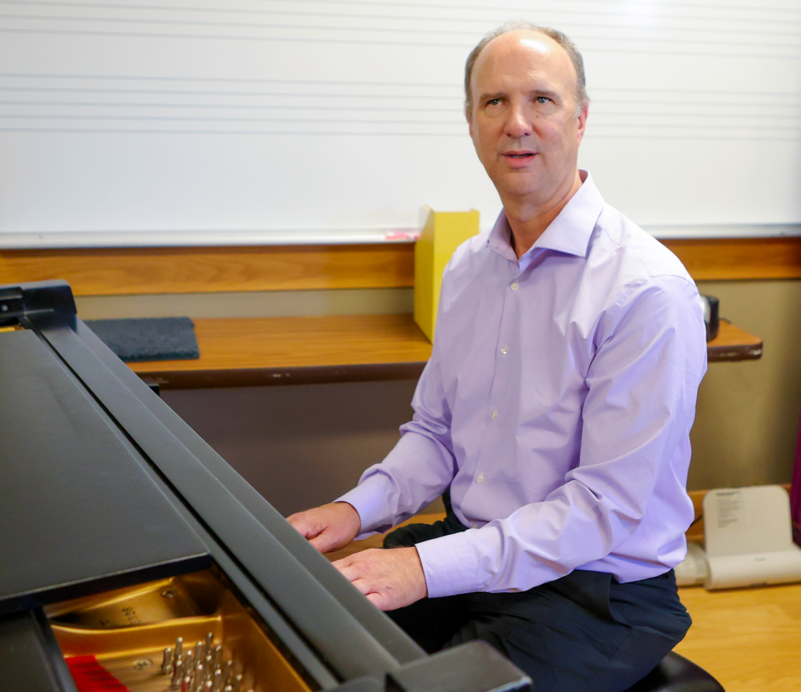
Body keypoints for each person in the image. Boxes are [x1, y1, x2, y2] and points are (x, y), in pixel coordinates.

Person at [288, 21, 708, 692]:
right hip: (475, 548)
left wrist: (422, 569)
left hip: (595, 590)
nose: (517, 123)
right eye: (494, 102)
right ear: (471, 121)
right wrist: (354, 510)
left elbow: (603, 508)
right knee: (306, 646)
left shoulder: (645, 290)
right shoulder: (467, 269)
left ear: (581, 118)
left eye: (541, 100)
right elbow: (435, 435)